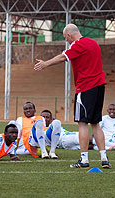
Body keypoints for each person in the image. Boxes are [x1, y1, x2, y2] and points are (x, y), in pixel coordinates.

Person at [34, 24, 110, 168]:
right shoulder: (93, 43)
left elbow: (63, 57)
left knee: (82, 123)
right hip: (99, 86)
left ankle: (84, 159)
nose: (67, 41)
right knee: (96, 124)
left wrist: (45, 64)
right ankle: (104, 158)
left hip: (86, 87)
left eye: (65, 38)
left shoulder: (78, 45)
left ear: (69, 35)